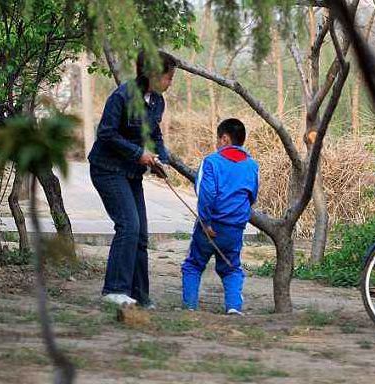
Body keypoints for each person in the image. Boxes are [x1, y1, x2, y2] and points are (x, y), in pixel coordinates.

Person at [89, 51, 176, 307]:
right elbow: (106, 134)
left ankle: (138, 294)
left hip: (130, 173)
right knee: (128, 225)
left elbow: (155, 135)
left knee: (140, 234)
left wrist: (161, 158)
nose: (171, 82)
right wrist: (138, 153)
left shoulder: (158, 102)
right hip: (107, 169)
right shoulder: (122, 96)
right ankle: (114, 291)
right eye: (169, 77)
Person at [181, 118, 259, 315]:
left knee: (193, 265)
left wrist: (206, 223)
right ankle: (234, 307)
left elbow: (205, 194)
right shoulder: (252, 166)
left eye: (218, 139)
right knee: (231, 268)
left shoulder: (211, 162)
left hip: (210, 227)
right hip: (234, 229)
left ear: (224, 139)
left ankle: (190, 306)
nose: (216, 143)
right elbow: (252, 196)